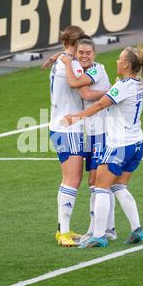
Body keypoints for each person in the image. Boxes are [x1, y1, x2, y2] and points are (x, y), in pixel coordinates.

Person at [62, 36, 143, 247]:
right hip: (137, 144)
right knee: (119, 187)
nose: (117, 62)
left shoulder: (123, 86)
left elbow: (100, 104)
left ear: (127, 64)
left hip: (119, 145)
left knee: (101, 188)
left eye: (120, 59)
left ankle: (99, 235)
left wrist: (76, 117)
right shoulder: (137, 84)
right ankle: (137, 230)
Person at [60, 38, 116, 243]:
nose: (84, 56)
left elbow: (80, 88)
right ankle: (107, 228)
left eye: (88, 53)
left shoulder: (97, 70)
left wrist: (113, 93)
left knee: (97, 181)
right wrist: (111, 92)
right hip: (93, 133)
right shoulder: (81, 68)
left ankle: (98, 229)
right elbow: (86, 92)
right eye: (80, 52)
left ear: (95, 54)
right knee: (100, 182)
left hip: (104, 131)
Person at [48, 25, 88, 247]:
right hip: (68, 127)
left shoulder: (60, 61)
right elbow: (84, 91)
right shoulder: (70, 65)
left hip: (61, 125)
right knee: (72, 179)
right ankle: (63, 232)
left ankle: (63, 229)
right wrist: (112, 93)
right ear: (77, 43)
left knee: (69, 179)